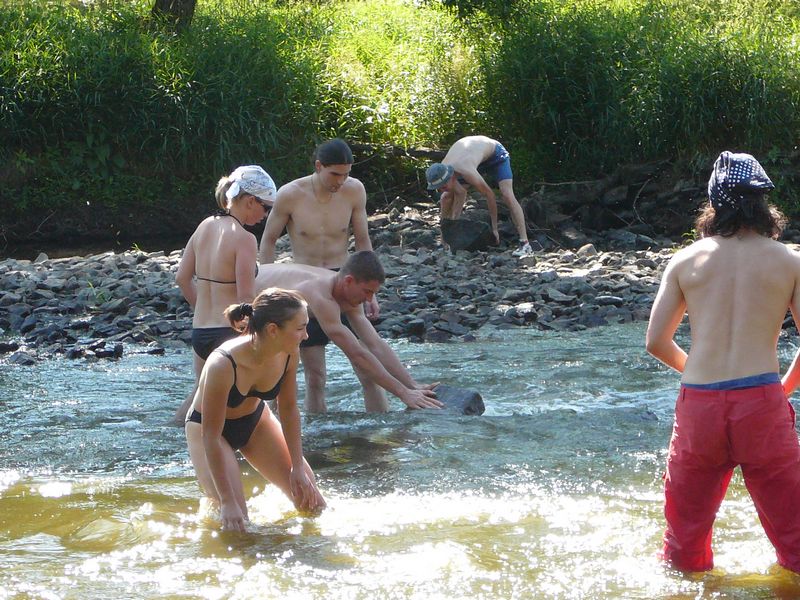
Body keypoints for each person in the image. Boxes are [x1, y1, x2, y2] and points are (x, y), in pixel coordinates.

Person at [645, 151, 800, 574]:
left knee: (683, 542)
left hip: (700, 405)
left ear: (714, 203)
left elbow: (656, 342)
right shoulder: (790, 261)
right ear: (763, 203)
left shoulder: (686, 259)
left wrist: (697, 372)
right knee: (795, 535)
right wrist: (784, 385)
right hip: (762, 401)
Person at [185, 288, 326, 531]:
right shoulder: (223, 363)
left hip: (255, 422)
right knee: (238, 523)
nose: (306, 336)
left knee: (313, 505)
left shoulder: (290, 353)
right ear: (273, 330)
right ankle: (213, 507)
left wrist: (297, 467)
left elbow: (289, 408)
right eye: (300, 327)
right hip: (208, 431)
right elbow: (211, 435)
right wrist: (228, 501)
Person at [258, 139, 383, 412]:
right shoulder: (291, 194)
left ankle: (382, 439)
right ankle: (317, 441)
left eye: (346, 174)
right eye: (335, 174)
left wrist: (371, 293)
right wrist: (266, 293)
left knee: (368, 370)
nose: (341, 181)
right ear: (318, 167)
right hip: (305, 287)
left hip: (345, 282)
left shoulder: (354, 191)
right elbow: (267, 241)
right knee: (315, 376)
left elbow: (363, 241)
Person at [255, 250, 442, 412]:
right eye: (367, 292)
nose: (369, 300)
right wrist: (404, 394)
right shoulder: (320, 294)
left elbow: (374, 343)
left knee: (286, 374)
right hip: (247, 294)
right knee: (275, 375)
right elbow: (356, 354)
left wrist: (412, 385)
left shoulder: (346, 291)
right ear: (349, 281)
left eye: (373, 294)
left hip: (281, 307)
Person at [174, 165, 276, 425]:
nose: (267, 214)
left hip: (201, 331)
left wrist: (202, 309)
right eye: (266, 207)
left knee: (201, 399)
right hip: (228, 332)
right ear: (250, 200)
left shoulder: (205, 226)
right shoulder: (244, 238)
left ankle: (174, 437)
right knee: (252, 400)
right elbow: (245, 298)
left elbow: (182, 278)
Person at [425, 135, 533, 257]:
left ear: (451, 177)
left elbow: (489, 195)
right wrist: (449, 233)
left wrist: (494, 228)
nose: (440, 189)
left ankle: (525, 244)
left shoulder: (465, 170)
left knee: (507, 194)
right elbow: (461, 193)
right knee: (445, 197)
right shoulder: (443, 168)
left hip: (495, 155)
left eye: (443, 186)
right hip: (474, 158)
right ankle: (445, 241)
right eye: (438, 188)